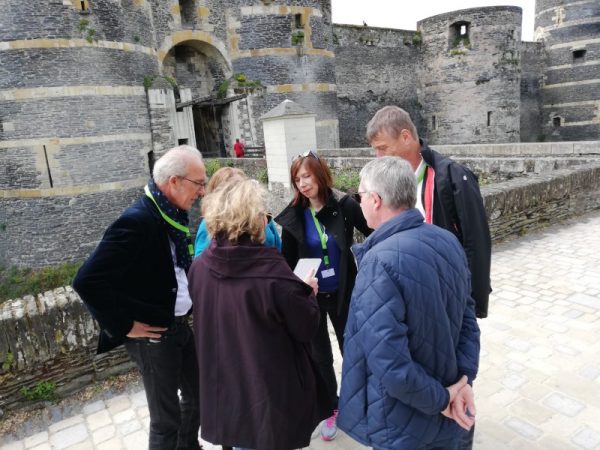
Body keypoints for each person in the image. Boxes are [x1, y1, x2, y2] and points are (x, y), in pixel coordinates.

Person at [337, 156, 481, 450]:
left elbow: (389, 361)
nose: (359, 202)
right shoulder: (447, 240)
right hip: (449, 404)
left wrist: (443, 399)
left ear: (375, 200)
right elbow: (469, 319)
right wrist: (462, 383)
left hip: (402, 420)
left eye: (360, 195)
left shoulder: (379, 261)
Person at [73, 145, 206, 450]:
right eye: (198, 183)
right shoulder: (137, 220)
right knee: (165, 420)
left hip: (179, 326)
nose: (201, 191)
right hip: (153, 336)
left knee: (198, 396)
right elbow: (86, 280)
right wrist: (124, 326)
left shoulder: (170, 213)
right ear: (174, 182)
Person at [188, 180, 331, 450]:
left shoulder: (200, 266)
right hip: (268, 389)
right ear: (252, 218)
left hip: (227, 384)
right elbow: (306, 328)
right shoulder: (272, 271)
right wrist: (308, 293)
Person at [274, 150, 371, 442]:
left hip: (344, 293)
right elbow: (287, 262)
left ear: (319, 173)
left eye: (306, 175)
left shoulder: (343, 205)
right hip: (311, 298)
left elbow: (374, 232)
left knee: (352, 352)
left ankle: (359, 406)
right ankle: (331, 408)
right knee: (319, 357)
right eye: (297, 179)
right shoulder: (295, 216)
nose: (302, 183)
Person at [366, 105, 491, 320]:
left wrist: (472, 301)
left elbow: (476, 241)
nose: (378, 157)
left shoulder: (453, 176)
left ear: (405, 137)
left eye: (383, 147)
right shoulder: (386, 182)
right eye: (375, 150)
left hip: (448, 293)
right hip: (409, 293)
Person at [194, 167, 281, 256]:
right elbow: (201, 259)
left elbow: (279, 249)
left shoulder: (261, 216)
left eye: (240, 186)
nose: (238, 193)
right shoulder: (209, 223)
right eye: (231, 189)